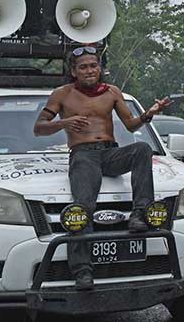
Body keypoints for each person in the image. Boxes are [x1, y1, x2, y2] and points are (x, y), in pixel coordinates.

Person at [33, 46, 172, 289]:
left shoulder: (112, 92)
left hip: (110, 153)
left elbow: (131, 125)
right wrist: (65, 122)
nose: (89, 71)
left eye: (93, 66)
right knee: (83, 207)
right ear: (74, 72)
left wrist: (148, 114)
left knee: (141, 149)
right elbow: (39, 127)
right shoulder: (62, 94)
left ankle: (140, 215)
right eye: (83, 67)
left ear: (100, 68)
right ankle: (82, 271)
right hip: (83, 155)